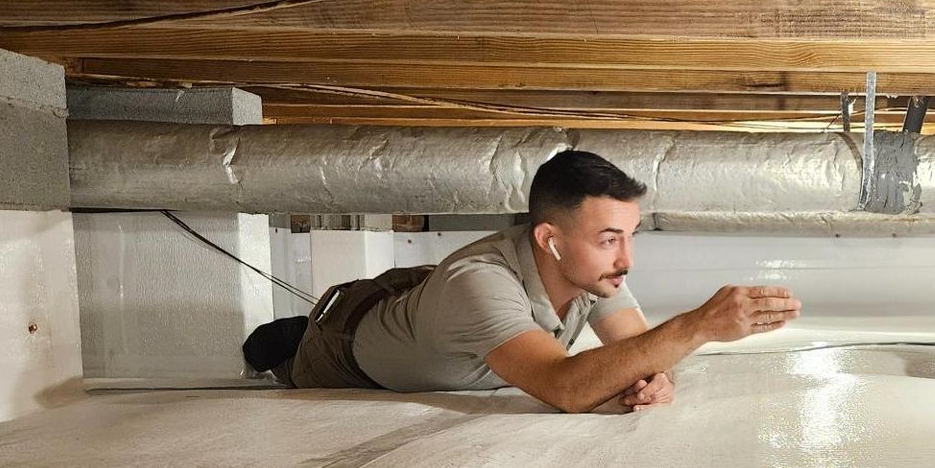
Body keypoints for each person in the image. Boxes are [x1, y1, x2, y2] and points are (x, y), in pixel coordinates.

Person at [243, 150, 802, 411]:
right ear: (550, 241)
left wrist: (654, 380)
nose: (626, 258)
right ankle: (291, 335)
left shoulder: (595, 272)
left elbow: (641, 350)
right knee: (280, 356)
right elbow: (564, 387)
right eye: (610, 239)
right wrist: (697, 325)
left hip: (436, 309)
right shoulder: (477, 284)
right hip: (344, 346)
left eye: (631, 237)